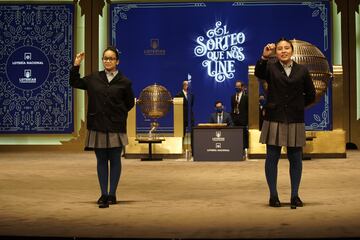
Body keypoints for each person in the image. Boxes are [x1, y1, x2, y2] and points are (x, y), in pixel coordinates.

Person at [69, 46, 135, 208]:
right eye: (105, 58)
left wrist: (117, 114)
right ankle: (103, 194)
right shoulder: (93, 79)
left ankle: (112, 194)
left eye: (111, 58)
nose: (107, 61)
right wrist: (76, 64)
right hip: (97, 125)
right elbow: (74, 82)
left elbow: (129, 103)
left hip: (116, 126)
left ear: (117, 61)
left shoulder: (125, 82)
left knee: (115, 160)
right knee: (101, 161)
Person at [254, 38, 315, 208]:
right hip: (274, 117)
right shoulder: (270, 68)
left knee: (296, 159)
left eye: (286, 48)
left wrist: (297, 106)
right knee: (271, 158)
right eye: (279, 49)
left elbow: (310, 94)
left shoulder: (302, 70)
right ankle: (273, 196)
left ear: (292, 50)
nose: (283, 51)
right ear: (276, 52)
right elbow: (258, 73)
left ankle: (295, 196)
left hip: (295, 119)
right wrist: (264, 57)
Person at [230, 80, 249, 150]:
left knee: (243, 135)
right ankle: (236, 149)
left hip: (243, 119)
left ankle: (244, 149)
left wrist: (247, 120)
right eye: (236, 86)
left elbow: (247, 109)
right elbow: (232, 108)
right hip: (235, 119)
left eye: (238, 86)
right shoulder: (232, 97)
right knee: (235, 135)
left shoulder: (246, 97)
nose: (237, 87)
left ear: (242, 87)